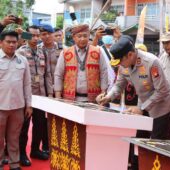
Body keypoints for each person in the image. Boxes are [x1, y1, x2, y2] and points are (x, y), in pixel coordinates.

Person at [97, 35, 170, 140]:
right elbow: (119, 85)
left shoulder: (151, 62)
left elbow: (162, 91)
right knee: (140, 139)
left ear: (130, 54)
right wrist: (108, 96)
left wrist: (142, 108)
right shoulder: (123, 66)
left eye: (120, 61)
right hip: (143, 105)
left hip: (160, 108)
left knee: (157, 142)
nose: (119, 65)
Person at [16, 25, 53, 165]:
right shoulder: (20, 52)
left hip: (41, 96)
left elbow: (47, 74)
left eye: (38, 35)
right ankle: (21, 154)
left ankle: (35, 150)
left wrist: (49, 94)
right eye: (32, 35)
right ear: (26, 35)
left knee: (39, 124)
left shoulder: (43, 51)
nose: (36, 38)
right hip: (27, 96)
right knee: (24, 127)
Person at [0, 30, 32, 170]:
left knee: (14, 138)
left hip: (18, 107)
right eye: (8, 42)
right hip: (0, 107)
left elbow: (27, 84)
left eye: (14, 42)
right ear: (1, 42)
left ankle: (14, 164)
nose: (12, 45)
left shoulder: (22, 60)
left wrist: (29, 105)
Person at [54, 24, 108, 102]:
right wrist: (58, 97)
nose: (82, 39)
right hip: (70, 100)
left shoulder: (97, 51)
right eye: (79, 36)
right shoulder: (65, 53)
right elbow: (58, 75)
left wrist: (103, 92)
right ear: (74, 37)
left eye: (85, 36)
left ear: (89, 36)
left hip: (93, 100)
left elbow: (104, 73)